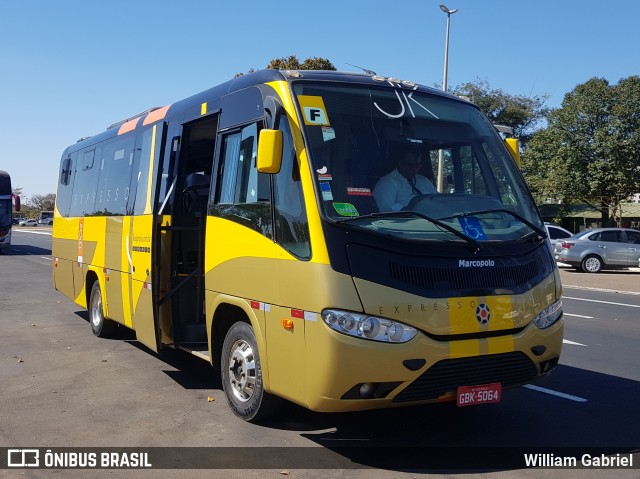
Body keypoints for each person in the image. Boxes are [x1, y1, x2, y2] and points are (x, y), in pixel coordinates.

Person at [373, 146, 436, 212]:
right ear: (401, 163)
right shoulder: (387, 183)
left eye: (417, 165)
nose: (415, 169)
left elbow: (437, 199)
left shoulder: (424, 181)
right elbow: (386, 209)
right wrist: (410, 210)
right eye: (411, 165)